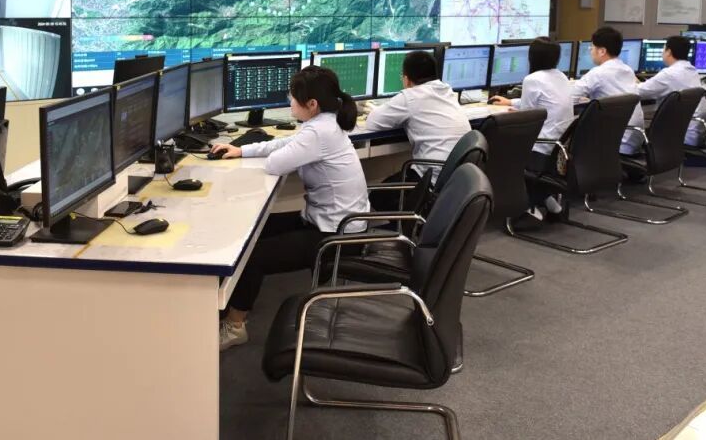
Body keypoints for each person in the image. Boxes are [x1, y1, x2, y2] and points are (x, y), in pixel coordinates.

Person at [209, 65, 369, 351]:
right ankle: (227, 306)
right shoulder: (323, 123)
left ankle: (234, 327)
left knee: (251, 256)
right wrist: (242, 150)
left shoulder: (319, 132)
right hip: (332, 221)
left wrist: (266, 152)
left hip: (336, 236)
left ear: (312, 104)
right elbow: (287, 143)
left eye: (293, 97)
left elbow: (276, 163)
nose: (289, 101)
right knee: (250, 232)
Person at [359, 50, 471, 211]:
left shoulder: (410, 97)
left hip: (432, 178)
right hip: (458, 177)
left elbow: (372, 123)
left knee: (378, 196)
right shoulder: (447, 91)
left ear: (406, 79)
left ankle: (409, 222)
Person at [489, 37, 574, 217]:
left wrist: (517, 112)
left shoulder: (532, 79)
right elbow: (540, 102)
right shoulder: (561, 76)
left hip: (540, 148)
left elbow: (528, 117)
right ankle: (549, 203)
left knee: (495, 148)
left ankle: (522, 205)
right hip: (558, 149)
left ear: (532, 57)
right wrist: (511, 102)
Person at [571, 26, 644, 154]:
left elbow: (569, 97)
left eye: (592, 47)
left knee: (570, 136)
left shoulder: (598, 73)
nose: (591, 50)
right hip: (633, 138)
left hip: (615, 142)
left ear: (602, 51)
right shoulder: (627, 70)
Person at [636, 36, 706, 146]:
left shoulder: (669, 74)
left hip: (681, 135)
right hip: (695, 132)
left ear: (669, 52)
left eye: (663, 49)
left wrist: (631, 80)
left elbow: (639, 92)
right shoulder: (692, 71)